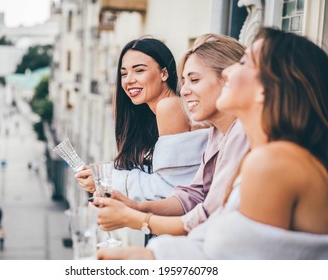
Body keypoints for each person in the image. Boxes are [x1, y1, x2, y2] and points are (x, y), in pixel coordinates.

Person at [98, 27, 328, 260]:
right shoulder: (241, 144)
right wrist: (139, 225)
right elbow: (202, 210)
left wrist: (140, 228)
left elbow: (224, 255)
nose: (229, 73)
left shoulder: (272, 162)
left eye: (244, 64)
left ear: (267, 88)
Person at [92, 34, 248, 236]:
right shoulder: (218, 133)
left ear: (228, 80)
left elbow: (209, 216)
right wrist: (135, 208)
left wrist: (137, 218)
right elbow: (193, 194)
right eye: (184, 81)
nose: (184, 91)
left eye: (194, 80)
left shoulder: (243, 134)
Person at [76, 37, 209, 201]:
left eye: (139, 70)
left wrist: (107, 180)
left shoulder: (169, 107)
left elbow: (167, 189)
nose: (129, 80)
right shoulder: (150, 117)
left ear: (164, 73)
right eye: (124, 73)